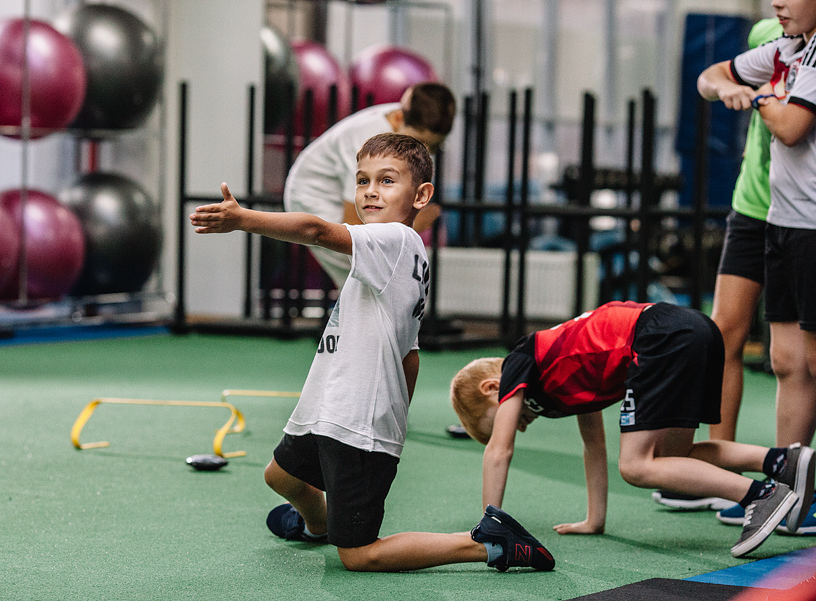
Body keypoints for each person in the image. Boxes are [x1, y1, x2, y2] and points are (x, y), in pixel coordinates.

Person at [190, 133, 554, 573]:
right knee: (281, 476)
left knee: (359, 555)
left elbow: (315, 230)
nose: (370, 191)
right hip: (332, 407)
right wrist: (398, 418)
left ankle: (485, 543)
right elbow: (410, 353)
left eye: (386, 180)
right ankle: (319, 525)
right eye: (362, 181)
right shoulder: (399, 254)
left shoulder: (394, 240)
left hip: (356, 423)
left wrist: (244, 219)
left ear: (421, 195)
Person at [449, 301, 815, 558]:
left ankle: (759, 496)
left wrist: (491, 523)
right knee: (673, 461)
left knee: (636, 467)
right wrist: (595, 520)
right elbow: (594, 447)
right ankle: (781, 460)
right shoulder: (561, 379)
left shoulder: (521, 361)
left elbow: (500, 449)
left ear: (492, 388)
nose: (519, 428)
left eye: (496, 422)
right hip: (693, 329)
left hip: (658, 338)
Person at [652, 17, 784, 512]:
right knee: (723, 333)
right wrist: (728, 86)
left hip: (806, 214)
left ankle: (792, 478)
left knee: (798, 360)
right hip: (753, 207)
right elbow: (709, 77)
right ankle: (719, 473)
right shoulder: (765, 35)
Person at [697, 0, 816, 533]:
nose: (777, 3)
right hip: (781, 223)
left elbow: (789, 126)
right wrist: (728, 86)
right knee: (788, 360)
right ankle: (794, 489)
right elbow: (712, 75)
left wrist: (759, 92)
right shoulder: (787, 47)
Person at [283, 82, 456, 288]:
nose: (425, 152)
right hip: (314, 197)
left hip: (335, 192)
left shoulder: (406, 119)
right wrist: (413, 226)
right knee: (365, 276)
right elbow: (356, 229)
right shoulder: (367, 144)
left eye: (434, 146)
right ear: (399, 118)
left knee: (375, 279)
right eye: (420, 141)